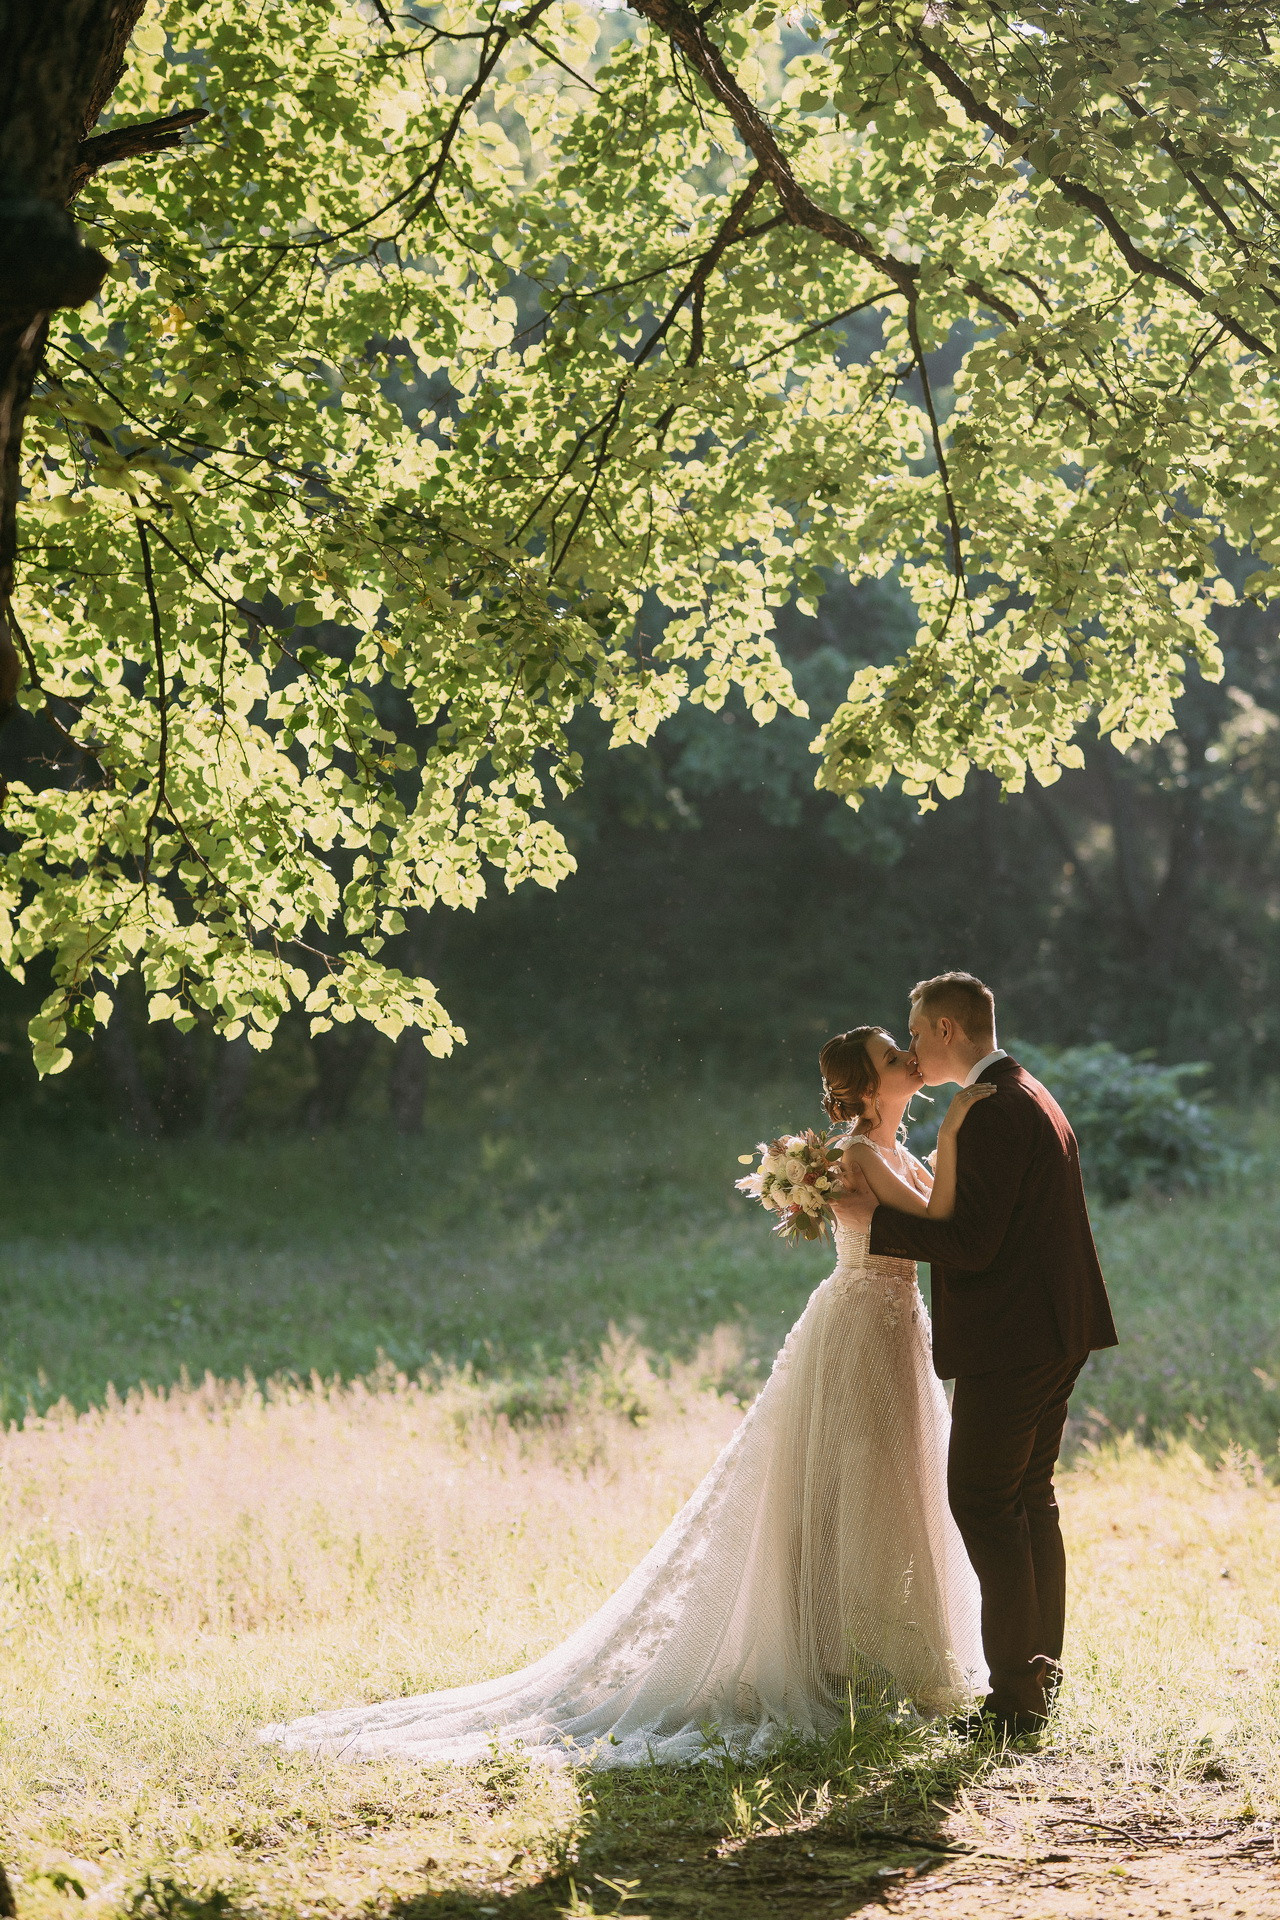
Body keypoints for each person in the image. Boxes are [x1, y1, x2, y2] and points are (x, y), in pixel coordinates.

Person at [259, 1028, 989, 1768]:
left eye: (903, 1051)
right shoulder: (862, 1151)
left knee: (894, 1484)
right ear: (865, 1089)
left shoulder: (893, 1151)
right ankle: (836, 1659)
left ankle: (888, 1658)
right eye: (891, 1057)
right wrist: (958, 1127)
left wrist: (944, 1145)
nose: (906, 1060)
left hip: (897, 1323)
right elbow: (935, 1222)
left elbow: (943, 1213)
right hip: (861, 1320)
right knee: (851, 1483)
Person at [861, 972, 1118, 1736]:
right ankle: (1037, 1683)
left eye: (915, 1032)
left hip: (1017, 1340)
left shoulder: (996, 1111)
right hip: (1050, 1329)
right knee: (1026, 1498)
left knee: (981, 1500)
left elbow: (971, 1243)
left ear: (946, 1029)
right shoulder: (1021, 1091)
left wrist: (874, 1226)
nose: (910, 1046)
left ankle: (1015, 1700)